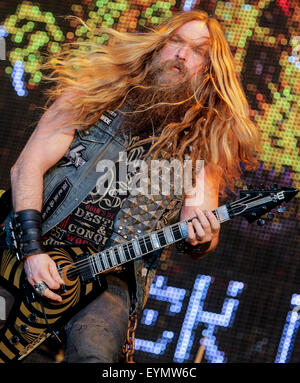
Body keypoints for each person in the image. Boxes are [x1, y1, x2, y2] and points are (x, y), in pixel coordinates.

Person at [5, 10, 260, 362]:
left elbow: (200, 216)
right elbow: (26, 167)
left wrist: (203, 235)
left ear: (208, 69)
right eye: (176, 42)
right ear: (158, 46)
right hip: (32, 247)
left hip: (111, 276)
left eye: (198, 50)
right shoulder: (94, 94)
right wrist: (33, 253)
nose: (182, 55)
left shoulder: (202, 143)